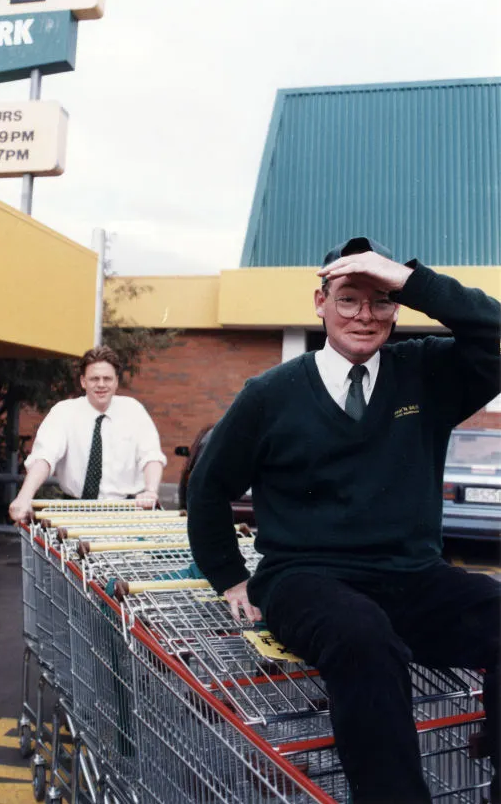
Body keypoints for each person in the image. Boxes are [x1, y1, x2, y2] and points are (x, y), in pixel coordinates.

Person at [187, 236, 501, 804]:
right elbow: (208, 487)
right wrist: (229, 576)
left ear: (398, 307)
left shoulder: (426, 373)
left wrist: (411, 279)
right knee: (363, 637)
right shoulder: (270, 393)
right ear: (319, 303)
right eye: (350, 299)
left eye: (381, 301)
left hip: (411, 576)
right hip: (306, 578)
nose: (365, 315)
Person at [9, 345, 166, 521]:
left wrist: (150, 492)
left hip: (126, 512)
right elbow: (44, 457)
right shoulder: (64, 412)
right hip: (74, 512)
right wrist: (24, 497)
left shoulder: (134, 410)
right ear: (83, 381)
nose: (101, 384)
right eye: (94, 379)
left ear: (116, 381)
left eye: (107, 378)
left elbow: (151, 456)